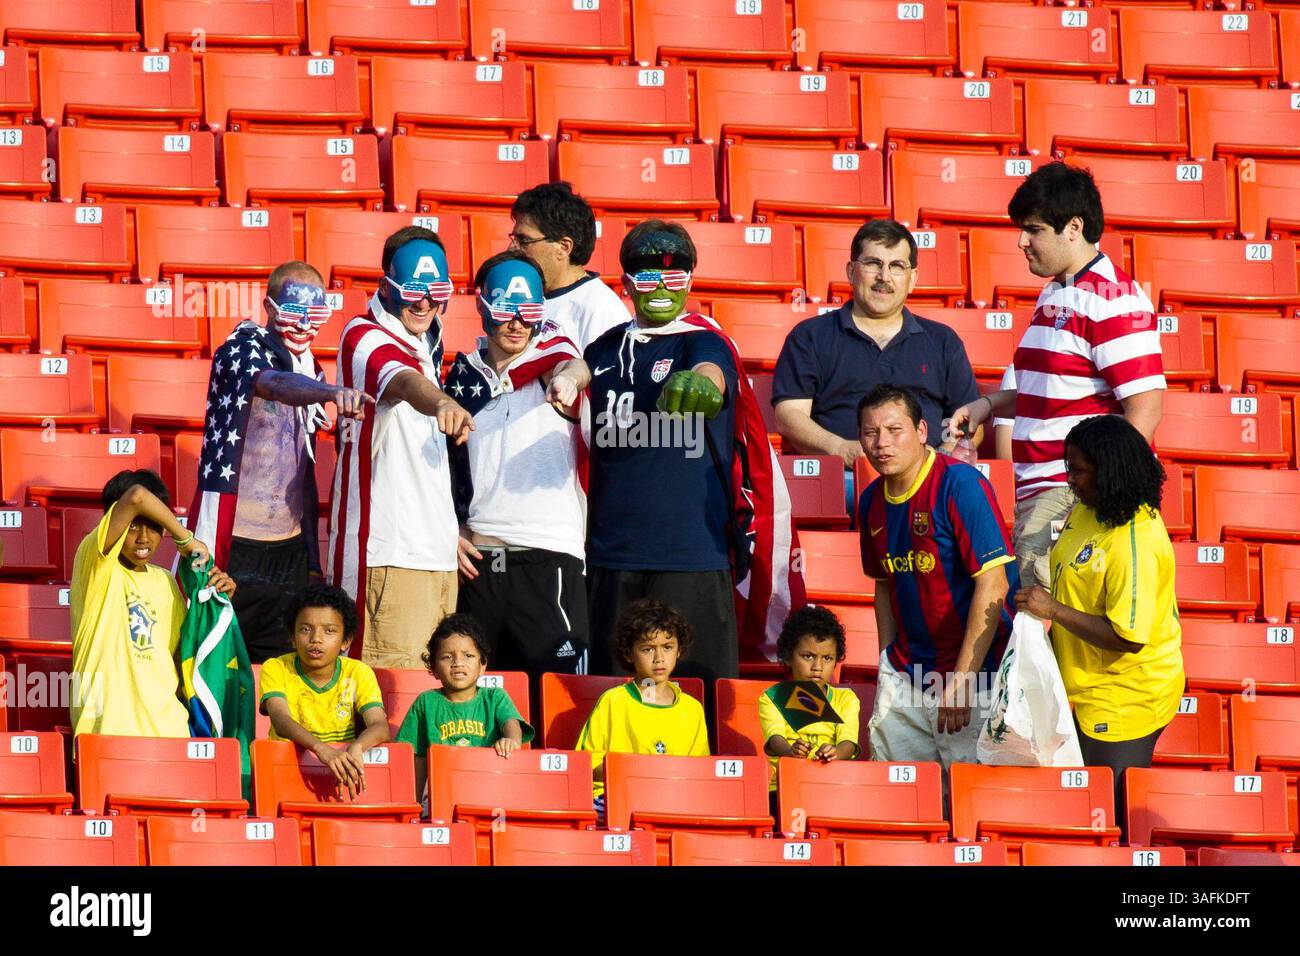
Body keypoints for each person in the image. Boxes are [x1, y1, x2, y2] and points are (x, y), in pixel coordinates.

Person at [583, 219, 803, 688]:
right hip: (611, 554)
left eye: (675, 276)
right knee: (613, 695)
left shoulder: (704, 340)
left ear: (691, 280)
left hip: (692, 553)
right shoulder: (603, 348)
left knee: (698, 698)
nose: (661, 286)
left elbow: (713, 371)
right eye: (648, 276)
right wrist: (564, 376)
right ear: (625, 282)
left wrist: (703, 382)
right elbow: (571, 374)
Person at [949, 162, 1165, 590]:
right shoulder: (1057, 290)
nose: (1021, 242)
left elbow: (1147, 406)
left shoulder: (1114, 298)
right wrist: (987, 404)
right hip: (1045, 489)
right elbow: (1051, 389)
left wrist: (1100, 496)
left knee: (1046, 629)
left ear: (1073, 227)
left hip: (1070, 496)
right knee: (1040, 632)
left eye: (1033, 230)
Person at [189, 260, 372, 664]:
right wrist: (326, 392)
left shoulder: (312, 371)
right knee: (217, 666)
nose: (306, 325)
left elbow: (303, 474)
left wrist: (310, 558)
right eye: (293, 313)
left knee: (280, 676)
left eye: (317, 315)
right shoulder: (240, 350)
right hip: (235, 547)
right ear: (270, 308)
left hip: (287, 553)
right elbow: (273, 384)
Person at [1014, 415, 1182, 827]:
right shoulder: (1090, 508)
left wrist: (1052, 610)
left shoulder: (1135, 541)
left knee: (1108, 817)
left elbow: (1128, 637)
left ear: (1107, 471)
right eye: (1067, 466)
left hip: (1124, 698)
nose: (1069, 479)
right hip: (1079, 685)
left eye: (1078, 470)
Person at [328, 231, 475, 669]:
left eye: (437, 292)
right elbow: (403, 382)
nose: (425, 302)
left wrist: (449, 530)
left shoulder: (428, 342)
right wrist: (443, 402)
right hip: (390, 558)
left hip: (435, 558)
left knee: (432, 707)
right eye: (413, 290)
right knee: (394, 706)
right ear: (386, 285)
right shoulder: (363, 334)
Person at [857, 385, 1017, 779]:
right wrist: (885, 663)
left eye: (895, 430)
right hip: (907, 673)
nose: (882, 444)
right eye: (870, 432)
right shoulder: (870, 500)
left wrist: (962, 680)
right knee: (901, 802)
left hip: (975, 675)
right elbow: (884, 586)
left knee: (971, 803)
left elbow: (994, 586)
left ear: (923, 431)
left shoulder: (960, 485)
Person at [446, 252, 592, 677]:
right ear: (481, 306)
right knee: (480, 707)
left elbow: (575, 365)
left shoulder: (552, 361)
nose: (517, 323)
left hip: (549, 559)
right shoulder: (461, 378)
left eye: (529, 311)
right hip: (480, 562)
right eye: (505, 310)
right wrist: (450, 528)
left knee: (559, 699)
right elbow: (446, 467)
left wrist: (570, 380)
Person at [772, 218, 982, 482]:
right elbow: (789, 415)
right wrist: (841, 449)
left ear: (912, 278)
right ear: (850, 271)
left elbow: (969, 419)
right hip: (842, 478)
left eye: (896, 266)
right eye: (873, 264)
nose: (884, 277)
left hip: (927, 481)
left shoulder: (943, 341)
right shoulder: (810, 336)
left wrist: (942, 459)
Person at [71, 470, 235, 738]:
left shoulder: (166, 582)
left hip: (169, 732)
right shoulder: (94, 563)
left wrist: (220, 601)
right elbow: (136, 497)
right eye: (133, 525)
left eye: (153, 526)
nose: (144, 537)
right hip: (107, 734)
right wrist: (185, 538)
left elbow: (185, 657)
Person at [258, 585, 390, 799]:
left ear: (346, 641)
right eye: (305, 629)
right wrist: (321, 750)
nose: (316, 639)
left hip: (340, 772)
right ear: (292, 636)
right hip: (286, 771)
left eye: (329, 631)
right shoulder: (276, 668)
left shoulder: (358, 672)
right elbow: (281, 720)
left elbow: (380, 726)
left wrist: (358, 746)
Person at [576, 599, 709, 810]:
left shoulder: (692, 709)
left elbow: (699, 771)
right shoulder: (613, 701)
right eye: (647, 649)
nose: (659, 658)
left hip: (673, 799)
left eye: (667, 647)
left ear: (679, 650)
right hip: (616, 797)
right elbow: (586, 766)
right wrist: (633, 770)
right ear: (629, 653)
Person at [395, 613, 534, 805]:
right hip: (442, 798)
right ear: (433, 667)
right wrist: (414, 806)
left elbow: (512, 724)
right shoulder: (426, 702)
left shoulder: (495, 697)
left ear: (482, 665)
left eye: (468, 656)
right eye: (447, 657)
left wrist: (511, 741)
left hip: (492, 797)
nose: (458, 663)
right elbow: (415, 758)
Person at [759, 605, 861, 811]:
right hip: (781, 787)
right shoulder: (773, 696)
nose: (817, 666)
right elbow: (774, 738)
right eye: (808, 656)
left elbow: (848, 743)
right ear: (788, 656)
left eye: (827, 658)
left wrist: (835, 753)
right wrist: (790, 751)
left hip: (831, 785)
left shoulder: (846, 699)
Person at [509, 181, 628, 350]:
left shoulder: (600, 310)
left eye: (524, 240)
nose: (512, 248)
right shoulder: (520, 294)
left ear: (563, 247)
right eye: (514, 239)